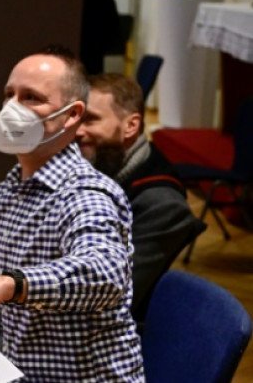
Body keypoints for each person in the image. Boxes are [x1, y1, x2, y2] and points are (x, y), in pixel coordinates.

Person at [0, 47, 144, 382]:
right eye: (9, 95)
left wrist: (7, 285)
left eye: (31, 98)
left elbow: (105, 274)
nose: (12, 108)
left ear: (72, 115)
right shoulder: (0, 197)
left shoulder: (86, 193)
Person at [77, 73, 206, 321]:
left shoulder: (162, 205)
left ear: (131, 126)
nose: (77, 131)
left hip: (99, 337)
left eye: (90, 120)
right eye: (75, 119)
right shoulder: (94, 167)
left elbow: (110, 296)